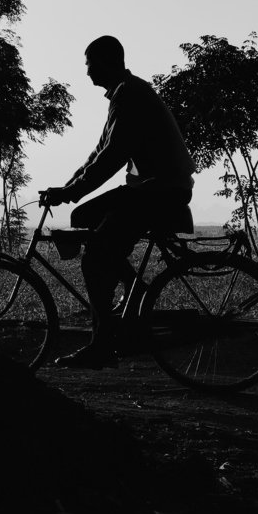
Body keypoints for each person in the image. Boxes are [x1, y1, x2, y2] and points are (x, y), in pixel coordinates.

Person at [42, 36, 196, 369]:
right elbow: (99, 152)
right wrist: (68, 188)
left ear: (107, 62)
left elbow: (113, 155)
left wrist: (70, 191)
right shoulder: (123, 93)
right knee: (83, 215)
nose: (87, 72)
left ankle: (102, 343)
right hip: (154, 189)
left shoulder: (130, 95)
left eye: (89, 64)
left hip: (160, 191)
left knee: (94, 259)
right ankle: (132, 286)